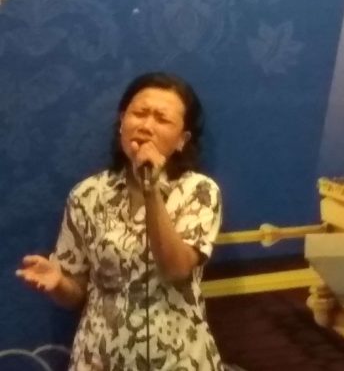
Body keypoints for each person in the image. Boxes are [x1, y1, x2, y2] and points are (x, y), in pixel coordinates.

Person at [16, 73, 224, 370]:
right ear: (121, 122)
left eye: (162, 119)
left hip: (178, 358)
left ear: (182, 140)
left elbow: (176, 269)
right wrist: (59, 283)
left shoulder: (199, 191)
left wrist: (151, 188)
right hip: (100, 358)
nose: (146, 126)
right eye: (139, 113)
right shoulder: (87, 194)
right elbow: (75, 294)